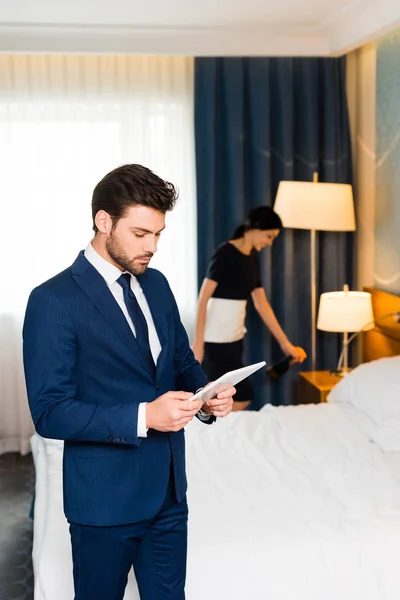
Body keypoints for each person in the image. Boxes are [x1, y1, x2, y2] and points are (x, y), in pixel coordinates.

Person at [23, 164, 235, 600]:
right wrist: (145, 416)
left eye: (158, 234)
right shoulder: (52, 300)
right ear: (104, 222)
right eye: (141, 234)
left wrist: (208, 393)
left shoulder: (156, 284)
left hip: (170, 495)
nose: (152, 247)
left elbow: (179, 361)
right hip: (104, 500)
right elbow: (50, 412)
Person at [192, 205, 307, 411]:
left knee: (227, 397)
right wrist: (198, 344)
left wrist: (286, 345)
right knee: (238, 396)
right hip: (216, 341)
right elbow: (203, 299)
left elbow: (262, 304)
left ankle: (214, 431)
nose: (269, 243)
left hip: (235, 338)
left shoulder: (251, 258)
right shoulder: (226, 253)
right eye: (269, 236)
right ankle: (202, 424)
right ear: (255, 228)